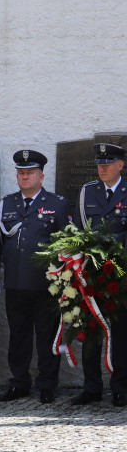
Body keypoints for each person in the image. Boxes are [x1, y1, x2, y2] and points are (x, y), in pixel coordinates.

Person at [0, 150, 69, 405]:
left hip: (46, 284)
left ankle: (48, 384)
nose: (24, 177)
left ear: (41, 176)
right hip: (16, 283)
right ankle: (19, 383)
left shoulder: (57, 203)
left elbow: (66, 244)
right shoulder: (7, 203)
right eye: (21, 173)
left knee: (47, 336)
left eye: (29, 173)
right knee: (19, 336)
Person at [71, 142, 127, 406]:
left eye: (108, 163)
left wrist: (109, 244)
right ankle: (91, 386)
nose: (102, 168)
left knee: (122, 331)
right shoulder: (87, 191)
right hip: (93, 272)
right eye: (99, 164)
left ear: (120, 165)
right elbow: (82, 229)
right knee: (90, 328)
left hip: (122, 272)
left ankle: (121, 387)